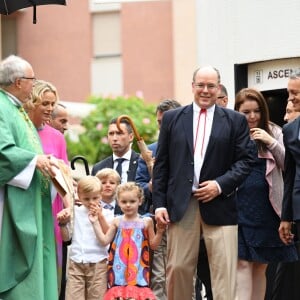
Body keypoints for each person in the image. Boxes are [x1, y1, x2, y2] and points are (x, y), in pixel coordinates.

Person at [152, 66, 255, 300]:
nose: (205, 90)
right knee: (177, 269)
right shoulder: (172, 119)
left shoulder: (235, 120)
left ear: (218, 88)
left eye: (211, 86)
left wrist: (219, 185)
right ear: (192, 86)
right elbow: (162, 165)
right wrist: (159, 204)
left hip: (221, 204)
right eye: (201, 85)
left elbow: (246, 161)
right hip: (181, 205)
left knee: (223, 275)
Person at [0, 55, 59, 299]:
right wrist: (36, 160)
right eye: (31, 80)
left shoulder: (14, 107)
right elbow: (3, 151)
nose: (33, 85)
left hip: (31, 194)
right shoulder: (2, 106)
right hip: (11, 200)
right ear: (17, 82)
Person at [234, 88, 298, 300]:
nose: (252, 117)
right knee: (241, 263)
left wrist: (270, 141)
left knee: (261, 265)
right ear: (237, 112)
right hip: (239, 207)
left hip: (268, 206)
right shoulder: (232, 133)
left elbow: (288, 165)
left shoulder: (275, 131)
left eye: (257, 111)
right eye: (246, 112)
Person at [23, 79, 70, 299]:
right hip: (24, 206)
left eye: (53, 103)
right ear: (32, 102)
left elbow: (66, 178)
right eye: (45, 103)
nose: (50, 109)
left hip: (52, 213)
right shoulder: (21, 132)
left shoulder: (57, 137)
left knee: (52, 270)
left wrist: (69, 207)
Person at [135, 99, 181, 300]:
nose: (163, 126)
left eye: (166, 121)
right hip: (157, 223)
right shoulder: (149, 152)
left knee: (184, 273)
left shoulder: (192, 149)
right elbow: (139, 187)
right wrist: (150, 187)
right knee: (159, 276)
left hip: (183, 220)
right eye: (159, 122)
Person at [90, 182, 166, 300]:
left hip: (139, 271)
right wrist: (94, 222)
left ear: (140, 201)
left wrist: (160, 231)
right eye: (124, 202)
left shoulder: (146, 222)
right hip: (118, 271)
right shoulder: (117, 221)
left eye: (132, 201)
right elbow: (104, 241)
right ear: (118, 202)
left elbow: (153, 245)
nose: (128, 205)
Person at [57, 175, 113, 300]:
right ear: (79, 196)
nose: (91, 202)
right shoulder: (74, 212)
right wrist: (63, 223)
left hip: (98, 263)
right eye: (86, 198)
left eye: (95, 198)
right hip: (76, 262)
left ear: (101, 195)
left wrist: (100, 217)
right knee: (73, 296)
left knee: (97, 297)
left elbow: (108, 236)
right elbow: (66, 239)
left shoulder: (108, 214)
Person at [277, 70, 300, 298]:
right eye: (289, 92)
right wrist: (286, 217)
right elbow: (290, 175)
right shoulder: (290, 130)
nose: (290, 98)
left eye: (295, 93)